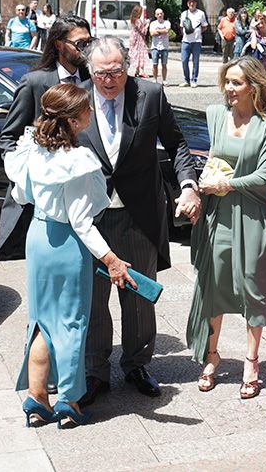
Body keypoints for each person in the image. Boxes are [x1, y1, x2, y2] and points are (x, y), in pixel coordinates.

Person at [76, 36, 201, 406]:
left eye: (116, 72)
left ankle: (136, 364)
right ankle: (94, 370)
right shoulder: (74, 95)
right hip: (91, 218)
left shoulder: (151, 94)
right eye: (101, 74)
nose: (109, 81)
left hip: (139, 215)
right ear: (90, 71)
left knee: (139, 297)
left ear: (128, 67)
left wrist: (189, 185)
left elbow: (176, 143)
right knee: (94, 300)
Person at [5, 83, 135, 428]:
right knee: (72, 323)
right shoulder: (78, 160)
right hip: (66, 245)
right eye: (87, 110)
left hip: (38, 236)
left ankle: (36, 399)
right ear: (75, 120)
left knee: (41, 322)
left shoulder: (31, 149)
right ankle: (69, 402)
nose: (92, 113)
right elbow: (81, 222)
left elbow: (21, 194)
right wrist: (111, 259)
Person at [187, 56, 266, 399]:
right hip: (217, 216)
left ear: (254, 86)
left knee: (252, 289)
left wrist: (225, 185)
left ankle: (251, 361)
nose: (229, 88)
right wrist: (197, 188)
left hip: (252, 216)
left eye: (237, 82)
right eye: (227, 81)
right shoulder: (215, 116)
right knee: (213, 284)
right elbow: (206, 161)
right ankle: (211, 356)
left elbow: (265, 176)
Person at [0, 15, 94, 262]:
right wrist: (26, 174)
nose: (86, 49)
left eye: (89, 42)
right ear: (60, 45)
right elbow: (8, 137)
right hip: (48, 201)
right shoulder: (35, 82)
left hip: (85, 190)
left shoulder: (93, 78)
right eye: (80, 43)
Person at [180, 0, 208, 88]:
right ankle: (186, 80)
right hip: (186, 41)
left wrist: (198, 33)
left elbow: (205, 26)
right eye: (190, 3)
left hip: (197, 41)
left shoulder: (201, 13)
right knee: (184, 61)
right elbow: (181, 26)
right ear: (188, 4)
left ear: (196, 3)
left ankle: (194, 80)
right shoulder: (184, 14)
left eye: (193, 2)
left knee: (195, 61)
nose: (191, 4)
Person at [149, 8, 170, 85]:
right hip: (155, 46)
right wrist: (162, 31)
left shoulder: (167, 23)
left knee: (164, 64)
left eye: (161, 13)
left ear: (163, 14)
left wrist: (157, 31)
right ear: (155, 15)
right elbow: (152, 33)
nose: (160, 15)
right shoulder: (153, 24)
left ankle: (164, 80)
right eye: (158, 14)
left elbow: (167, 31)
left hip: (164, 47)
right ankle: (155, 79)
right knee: (155, 64)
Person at [128, 5, 149, 77]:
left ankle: (137, 70)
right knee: (141, 54)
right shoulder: (138, 21)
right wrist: (147, 24)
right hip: (139, 39)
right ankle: (141, 70)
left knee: (136, 53)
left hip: (134, 39)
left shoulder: (133, 20)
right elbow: (143, 31)